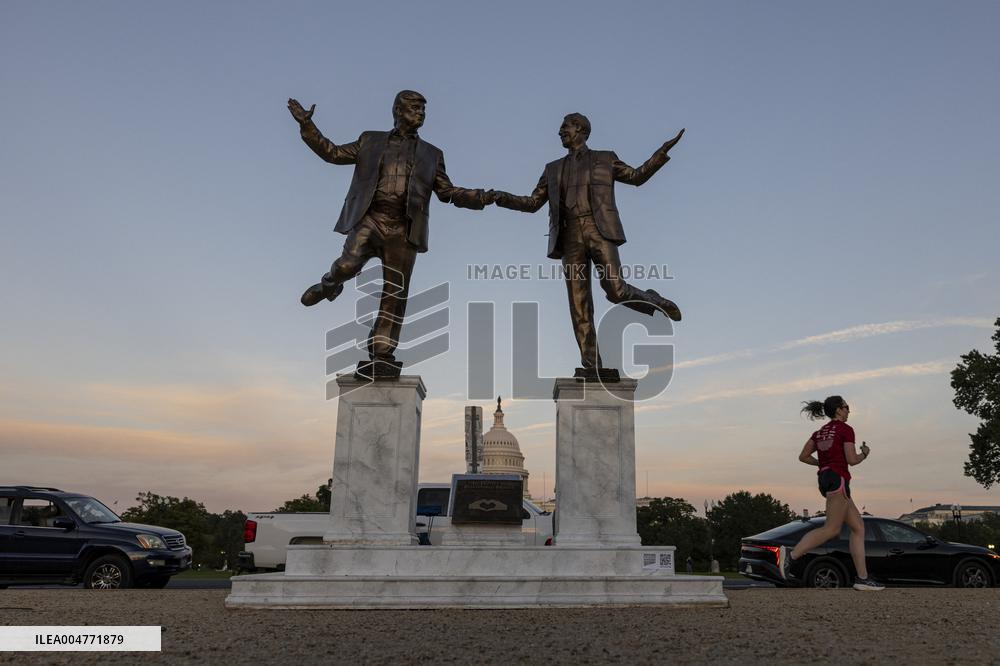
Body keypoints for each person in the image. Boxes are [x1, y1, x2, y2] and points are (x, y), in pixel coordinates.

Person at [287, 90, 495, 376]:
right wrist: (307, 126)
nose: (421, 113)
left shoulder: (432, 154)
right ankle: (330, 284)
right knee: (347, 265)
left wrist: (480, 197)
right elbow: (332, 153)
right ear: (398, 110)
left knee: (394, 292)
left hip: (403, 228)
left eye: (423, 109)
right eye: (415, 108)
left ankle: (382, 351)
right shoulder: (369, 140)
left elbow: (447, 191)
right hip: (370, 219)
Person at [492, 113, 683, 374]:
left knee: (616, 290)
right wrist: (501, 197)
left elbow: (636, 176)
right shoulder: (552, 168)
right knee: (579, 304)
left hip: (599, 230)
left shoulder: (605, 158)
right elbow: (532, 203)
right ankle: (592, 365)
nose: (560, 132)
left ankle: (654, 300)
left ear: (581, 130)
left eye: (565, 127)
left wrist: (660, 154)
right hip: (569, 237)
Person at [779, 395, 884, 591]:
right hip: (839, 479)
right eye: (846, 407)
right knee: (832, 529)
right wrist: (865, 453)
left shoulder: (819, 432)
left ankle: (862, 578)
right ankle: (791, 556)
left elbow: (803, 456)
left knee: (858, 527)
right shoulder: (845, 429)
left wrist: (822, 463)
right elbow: (852, 459)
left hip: (826, 479)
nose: (848, 411)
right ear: (838, 409)